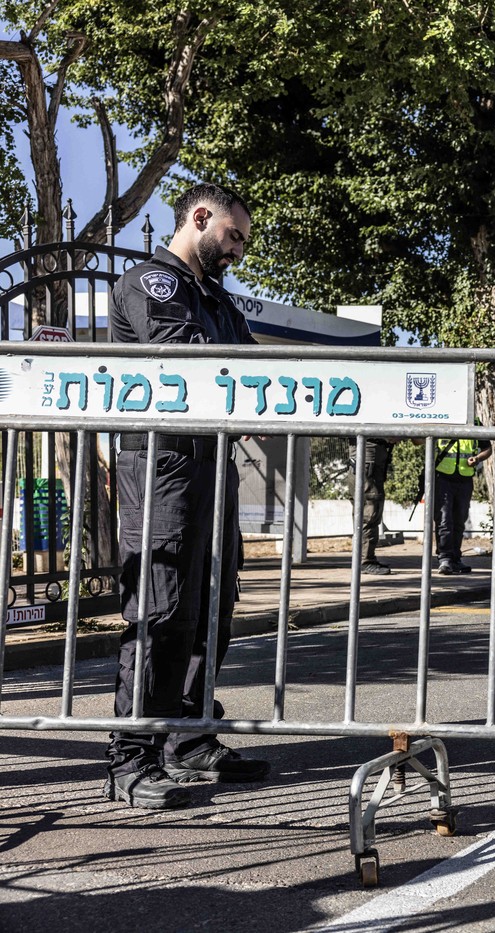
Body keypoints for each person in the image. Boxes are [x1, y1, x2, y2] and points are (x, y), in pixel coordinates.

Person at [105, 182, 271, 810]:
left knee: (211, 606)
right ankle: (131, 756)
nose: (238, 251)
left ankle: (189, 736)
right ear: (201, 218)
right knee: (161, 607)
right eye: (233, 236)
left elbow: (256, 368)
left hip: (213, 463)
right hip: (163, 465)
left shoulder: (220, 302)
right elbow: (182, 355)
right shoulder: (153, 283)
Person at [435, 433, 492, 574]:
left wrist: (478, 458)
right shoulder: (445, 419)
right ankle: (445, 558)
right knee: (444, 520)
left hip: (465, 478)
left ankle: (455, 558)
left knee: (460, 520)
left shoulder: (476, 425)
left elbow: (488, 449)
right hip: (443, 477)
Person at [359, 437, 396, 575]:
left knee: (370, 511)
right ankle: (365, 561)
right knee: (370, 513)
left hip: (371, 459)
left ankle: (367, 558)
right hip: (369, 459)